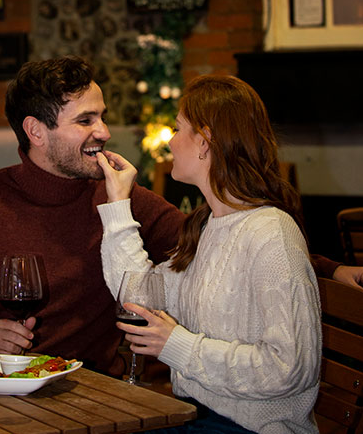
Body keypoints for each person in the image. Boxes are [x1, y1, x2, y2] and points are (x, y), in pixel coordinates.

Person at [96, 75, 322, 433]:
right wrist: (118, 203)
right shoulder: (207, 227)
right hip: (195, 416)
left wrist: (178, 346)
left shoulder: (271, 233)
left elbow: (289, 368)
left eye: (177, 128)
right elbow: (139, 297)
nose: (170, 140)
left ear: (204, 141)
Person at [0, 56, 183, 376]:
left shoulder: (119, 197)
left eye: (102, 117)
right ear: (36, 131)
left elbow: (201, 246)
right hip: (7, 385)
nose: (104, 132)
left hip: (97, 387)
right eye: (85, 120)